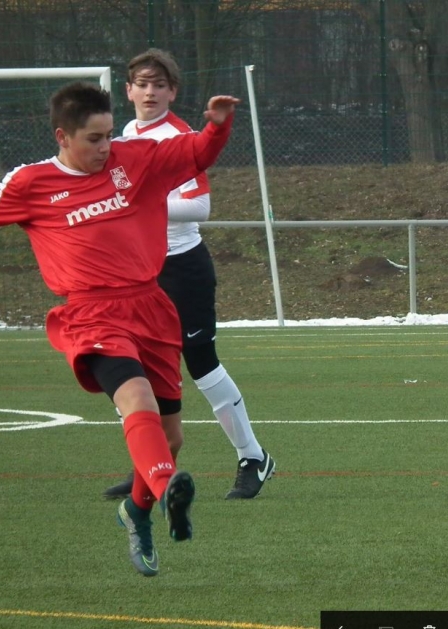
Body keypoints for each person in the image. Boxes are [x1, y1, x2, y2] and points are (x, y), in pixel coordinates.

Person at [0, 81, 240, 578]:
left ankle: (137, 510)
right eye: (94, 139)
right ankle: (167, 487)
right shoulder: (29, 182)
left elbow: (196, 154)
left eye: (108, 135)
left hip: (152, 308)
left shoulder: (136, 158)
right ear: (63, 137)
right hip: (91, 315)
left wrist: (216, 126)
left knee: (171, 437)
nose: (106, 147)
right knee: (136, 399)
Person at [101, 48, 275, 502]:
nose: (150, 92)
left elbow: (200, 206)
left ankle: (253, 457)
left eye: (159, 85)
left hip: (182, 268)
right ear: (128, 90)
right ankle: (149, 466)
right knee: (132, 369)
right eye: (142, 84)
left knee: (201, 364)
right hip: (138, 272)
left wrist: (140, 203)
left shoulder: (179, 135)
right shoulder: (126, 133)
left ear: (173, 92)